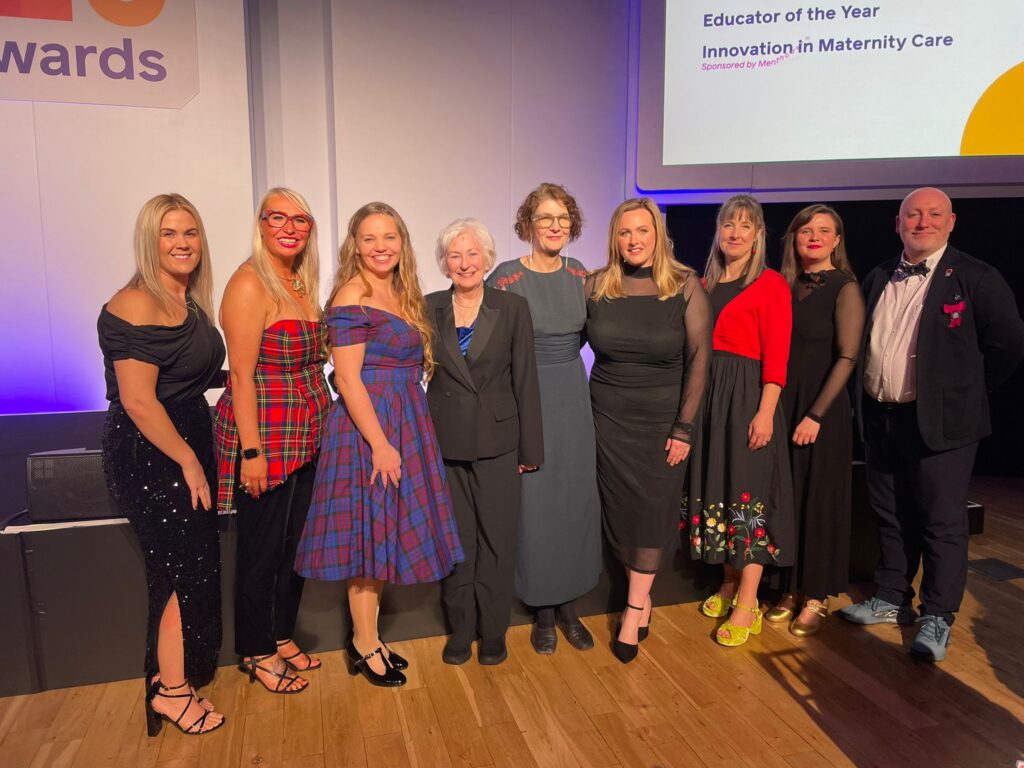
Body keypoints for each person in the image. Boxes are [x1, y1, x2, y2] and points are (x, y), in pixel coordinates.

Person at [840, 187, 1024, 661]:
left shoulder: (977, 278)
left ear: (952, 221)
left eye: (933, 214)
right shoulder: (879, 275)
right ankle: (891, 598)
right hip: (882, 416)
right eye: (913, 215)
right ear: (897, 223)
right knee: (891, 514)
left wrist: (961, 395)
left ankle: (937, 616)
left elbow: (1007, 347)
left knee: (942, 522)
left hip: (944, 426)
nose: (922, 222)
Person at [295, 202, 463, 687]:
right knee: (367, 539)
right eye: (370, 238)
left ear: (401, 243)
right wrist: (381, 445)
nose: (381, 246)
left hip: (404, 419)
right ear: (355, 245)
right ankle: (363, 643)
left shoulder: (399, 291)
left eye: (389, 237)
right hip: (369, 428)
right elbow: (346, 380)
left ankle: (368, 636)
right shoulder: (353, 294)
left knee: (383, 532)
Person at [99, 193, 225, 735]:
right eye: (169, 233)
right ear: (150, 242)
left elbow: (189, 375)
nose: (181, 243)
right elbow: (139, 402)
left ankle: (169, 678)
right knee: (181, 572)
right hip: (151, 450)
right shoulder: (135, 303)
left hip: (186, 435)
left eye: (190, 232)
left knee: (182, 568)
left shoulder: (186, 298)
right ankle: (173, 693)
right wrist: (189, 462)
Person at [213, 187, 330, 694]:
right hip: (266, 433)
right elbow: (241, 377)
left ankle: (281, 634)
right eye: (277, 217)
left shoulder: (300, 280)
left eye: (299, 219)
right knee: (260, 551)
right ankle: (256, 651)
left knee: (296, 547)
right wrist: (252, 452)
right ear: (261, 224)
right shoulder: (248, 284)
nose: (289, 227)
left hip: (308, 429)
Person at [586, 198, 711, 663]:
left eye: (642, 231)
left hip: (662, 424)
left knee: (652, 511)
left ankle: (634, 608)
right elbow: (561, 342)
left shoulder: (684, 285)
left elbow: (700, 361)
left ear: (658, 235)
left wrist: (684, 428)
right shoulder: (597, 285)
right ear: (614, 238)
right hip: (605, 419)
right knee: (620, 514)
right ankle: (643, 596)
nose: (634, 240)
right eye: (624, 232)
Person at [487, 183, 601, 654]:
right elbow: (491, 348)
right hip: (527, 397)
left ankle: (571, 607)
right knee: (536, 507)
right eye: (545, 218)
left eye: (563, 219)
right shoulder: (506, 277)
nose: (555, 227)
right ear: (527, 225)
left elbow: (581, 339)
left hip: (573, 398)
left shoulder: (581, 274)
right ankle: (544, 613)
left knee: (574, 502)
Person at [425, 218, 544, 665]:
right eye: (455, 255)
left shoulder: (513, 308)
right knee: (456, 543)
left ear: (488, 259)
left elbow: (526, 380)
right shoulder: (427, 306)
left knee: (497, 542)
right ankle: (461, 631)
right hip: (445, 443)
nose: (464, 262)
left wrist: (531, 449)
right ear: (444, 263)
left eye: (472, 253)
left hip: (499, 443)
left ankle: (493, 632)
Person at [685, 193, 796, 647]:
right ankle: (728, 584)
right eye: (728, 224)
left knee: (748, 496)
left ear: (759, 236)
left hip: (748, 395)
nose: (735, 233)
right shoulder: (704, 283)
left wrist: (765, 412)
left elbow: (777, 358)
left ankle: (748, 602)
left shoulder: (771, 284)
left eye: (745, 226)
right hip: (710, 396)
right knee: (722, 488)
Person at [766, 204, 865, 636]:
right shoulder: (782, 286)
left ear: (837, 240)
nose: (814, 236)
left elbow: (847, 356)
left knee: (819, 502)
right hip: (781, 405)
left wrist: (815, 415)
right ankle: (789, 587)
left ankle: (816, 595)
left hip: (819, 412)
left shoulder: (844, 287)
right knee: (787, 500)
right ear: (794, 238)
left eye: (825, 231)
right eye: (806, 230)